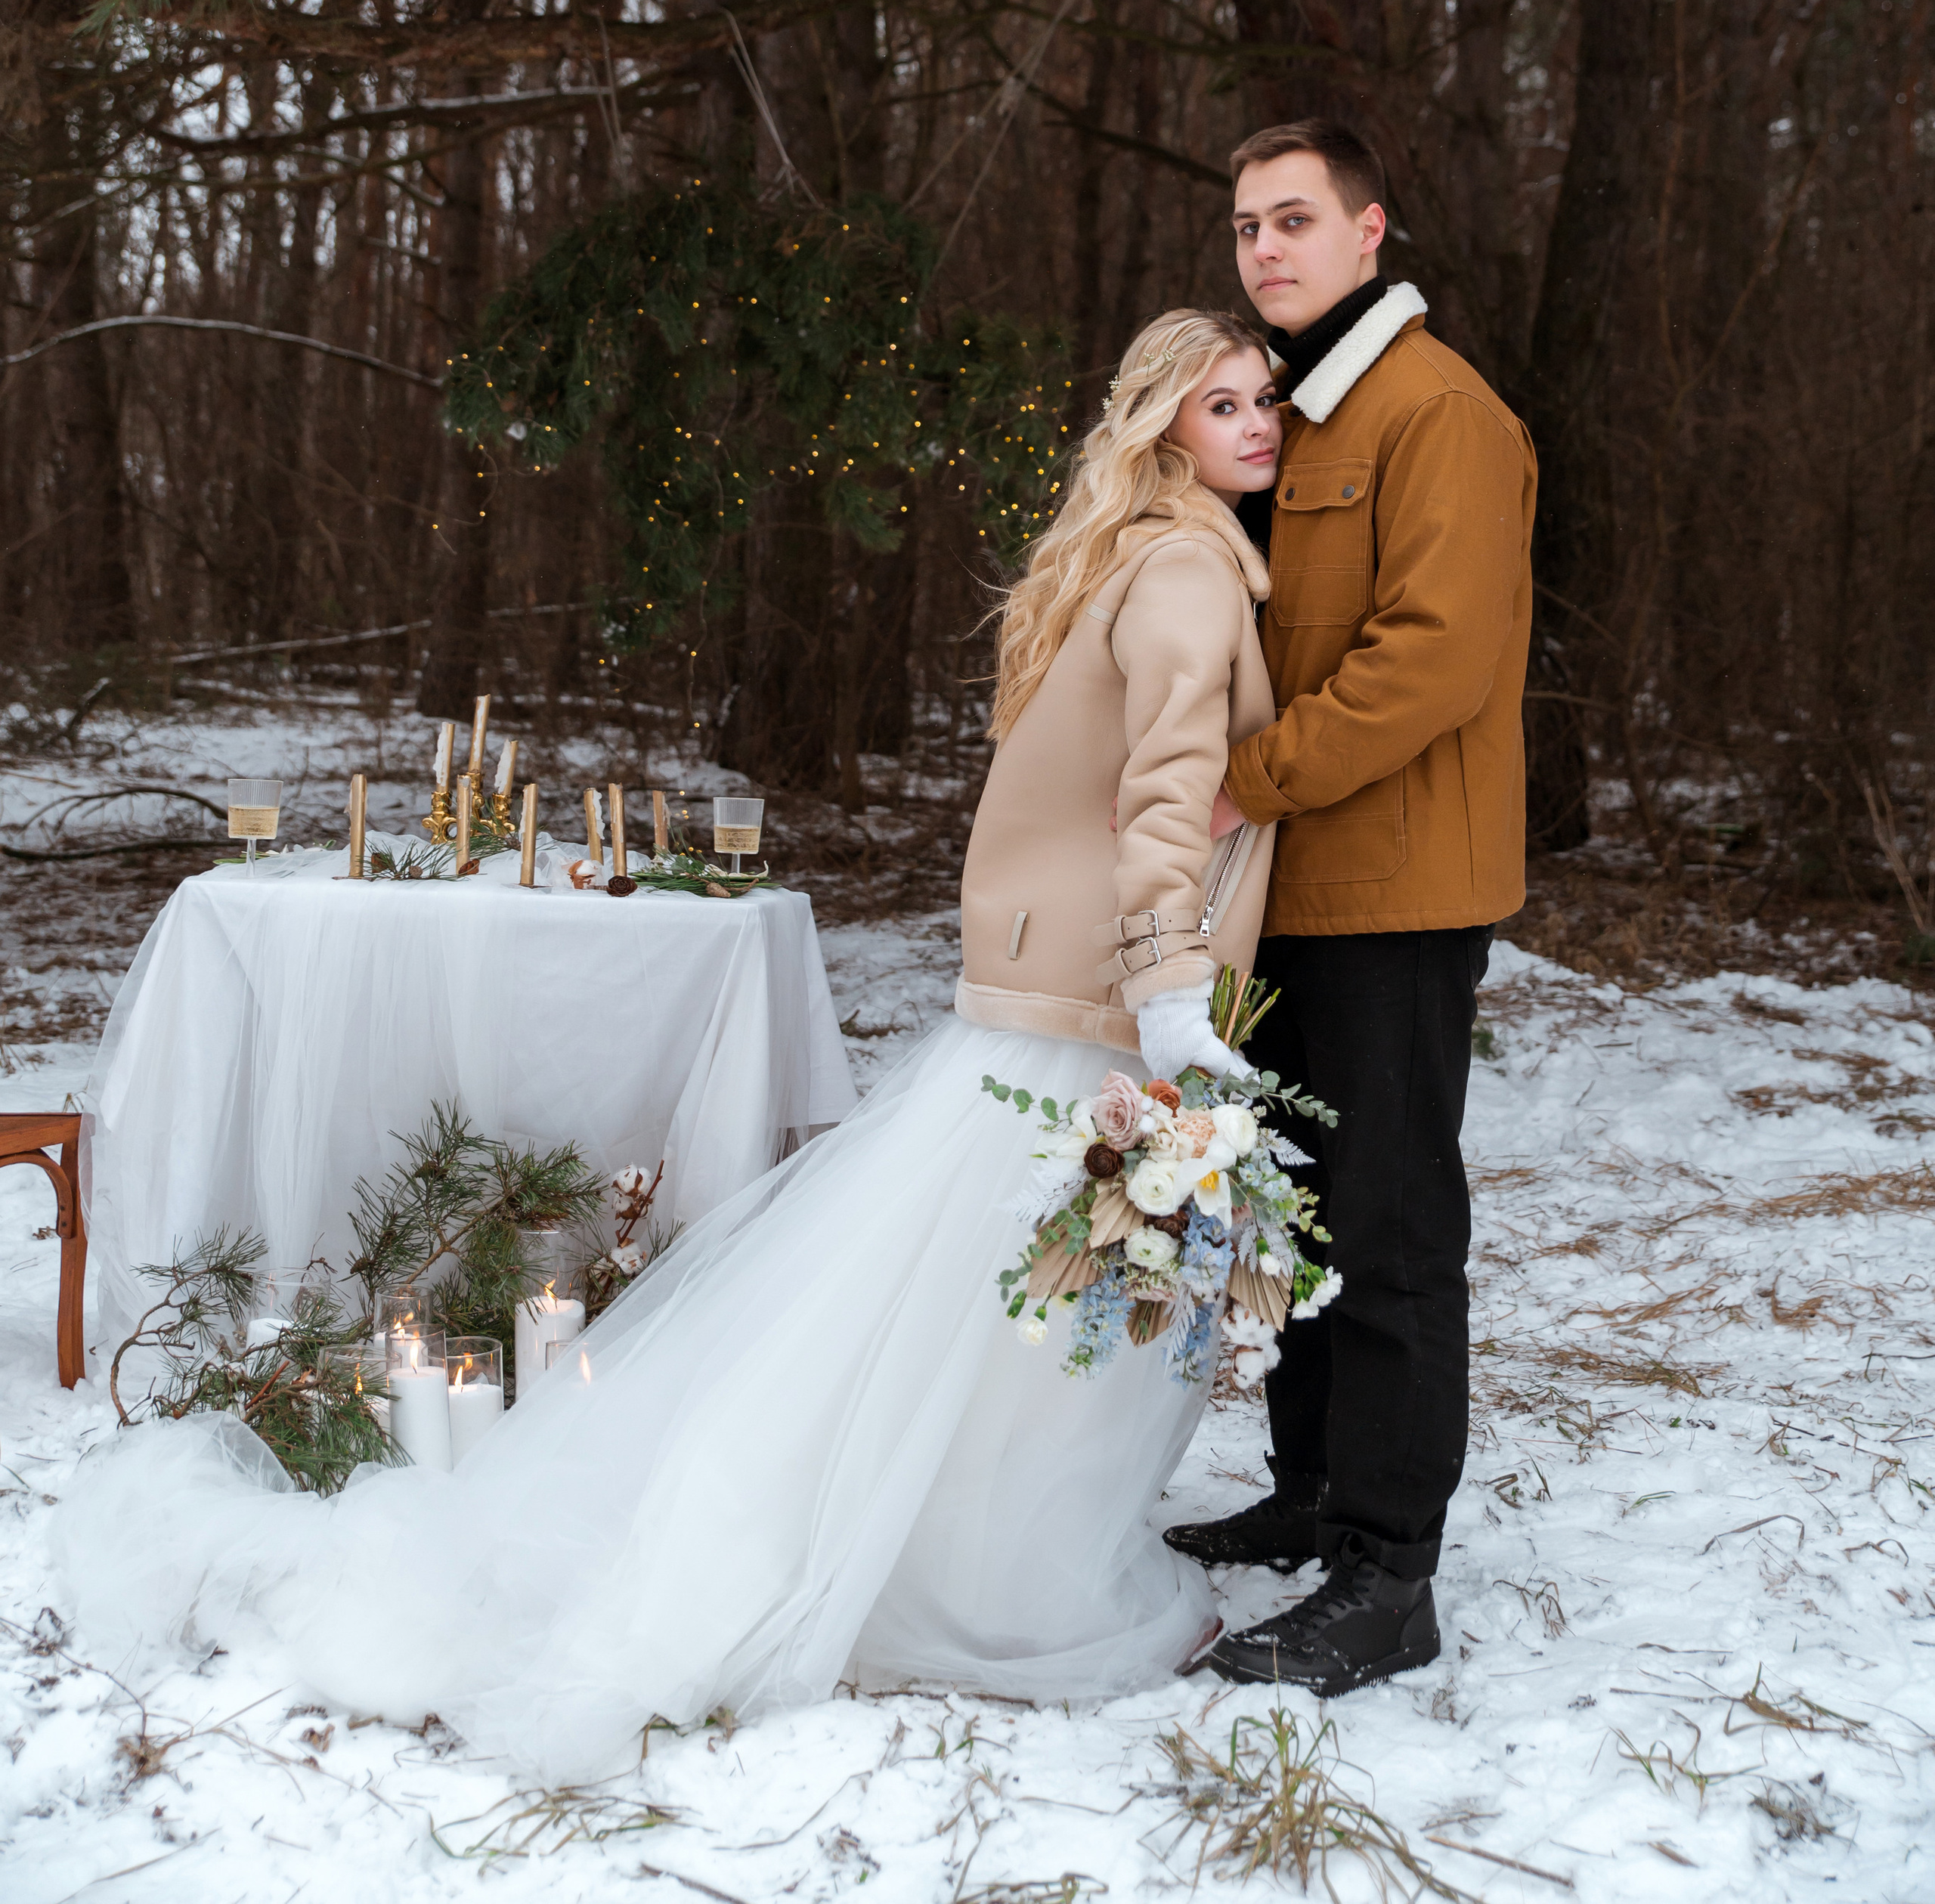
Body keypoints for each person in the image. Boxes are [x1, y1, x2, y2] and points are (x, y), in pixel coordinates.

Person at [56, 312, 1285, 1782]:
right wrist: (1169, 1007)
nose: (1257, 419)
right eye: (1222, 402)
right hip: (1099, 996)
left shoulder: (1116, 556)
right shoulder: (1195, 568)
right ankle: (1001, 1591)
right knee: (1037, 1320)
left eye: (1264, 394)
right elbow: (1159, 805)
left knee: (955, 1308)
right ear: (1160, 426)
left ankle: (947, 1552)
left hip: (1032, 987)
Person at [1163, 119, 1537, 1700]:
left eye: (1295, 218)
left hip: (1391, 889)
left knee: (1385, 1222)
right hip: (1295, 893)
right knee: (1300, 1216)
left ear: (1369, 230)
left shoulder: (1433, 412)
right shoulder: (1299, 411)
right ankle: (1311, 1488)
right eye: (1246, 224)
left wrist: (1249, 774)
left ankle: (1386, 1572)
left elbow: (1430, 656)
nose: (1264, 247)